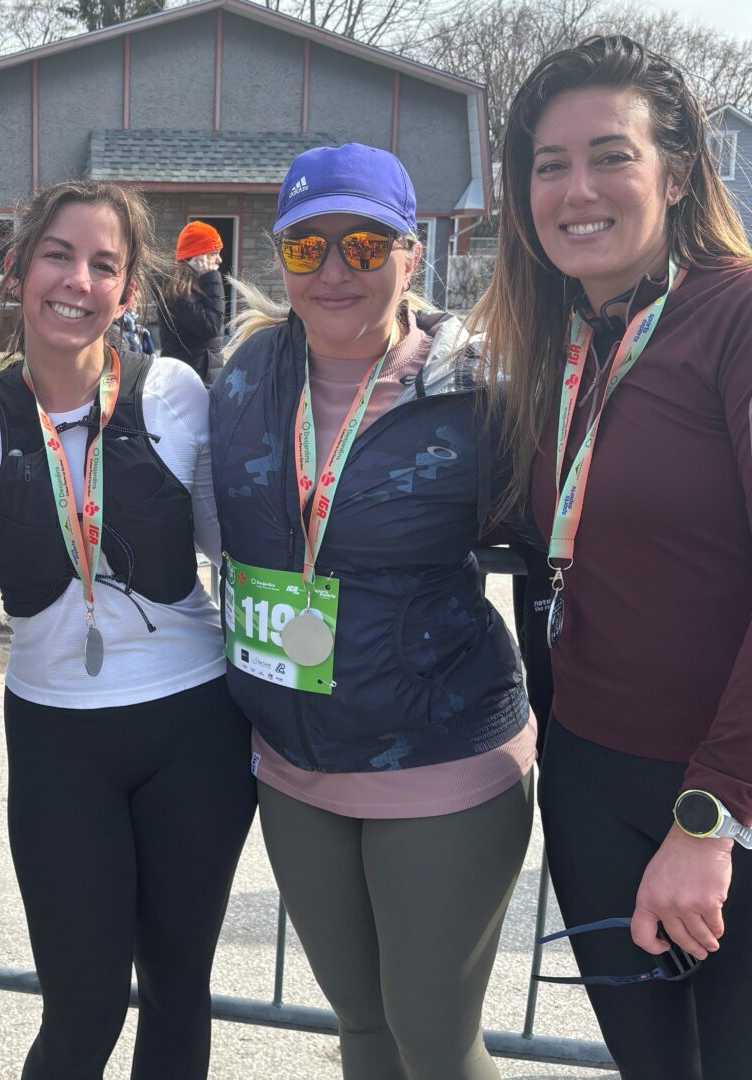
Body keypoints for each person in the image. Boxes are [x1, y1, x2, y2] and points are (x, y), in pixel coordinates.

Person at [474, 36, 752, 1078]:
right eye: (549, 163)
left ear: (679, 170)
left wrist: (712, 821)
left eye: (608, 155)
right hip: (599, 788)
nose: (577, 189)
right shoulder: (566, 339)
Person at [210, 143, 535, 1080]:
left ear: (411, 254)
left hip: (440, 757)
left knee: (432, 1037)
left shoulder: (477, 388)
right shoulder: (241, 376)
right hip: (295, 761)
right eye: (307, 250)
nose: (336, 271)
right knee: (360, 1026)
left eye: (363, 244)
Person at [0, 180, 257, 1080]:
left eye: (104, 264)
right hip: (56, 736)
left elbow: (231, 545)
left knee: (175, 986)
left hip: (192, 723)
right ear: (15, 270)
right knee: (81, 1011)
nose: (77, 280)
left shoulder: (175, 393)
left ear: (128, 290)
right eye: (57, 255)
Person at [159, 221, 228, 383]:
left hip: (201, 376)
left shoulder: (196, 286)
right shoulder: (179, 290)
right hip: (191, 381)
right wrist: (212, 276)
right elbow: (211, 325)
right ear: (199, 256)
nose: (219, 260)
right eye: (214, 253)